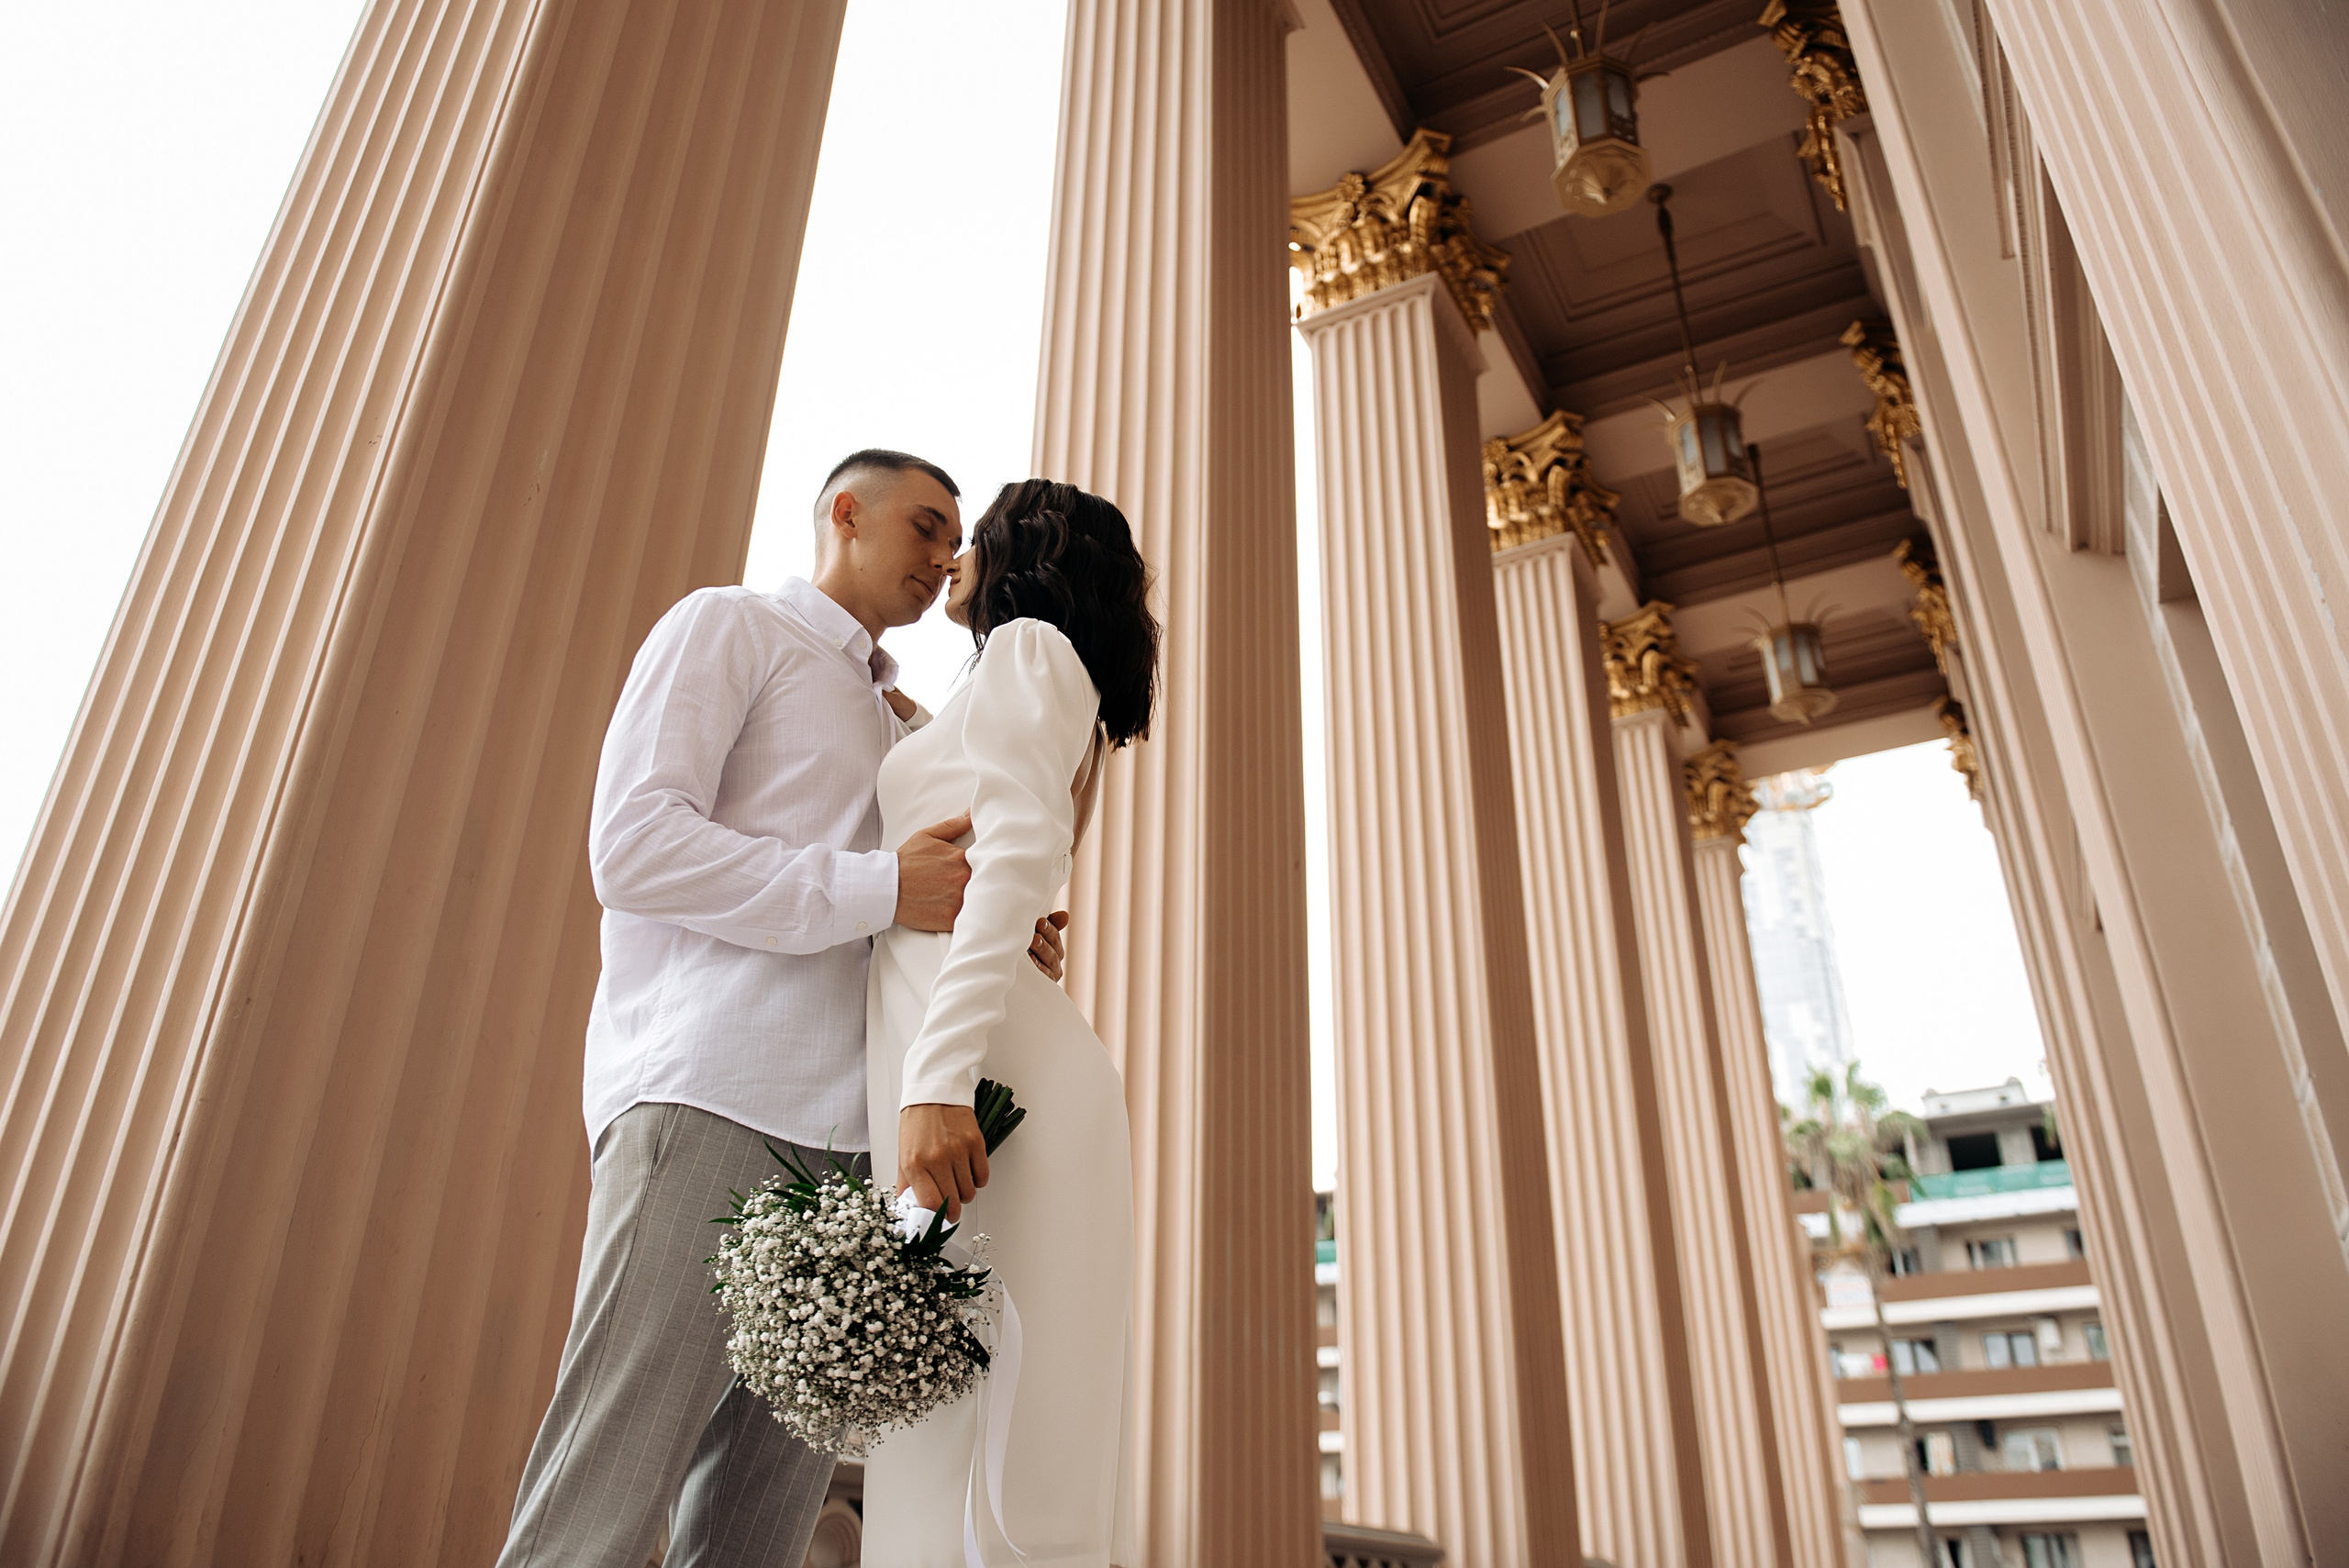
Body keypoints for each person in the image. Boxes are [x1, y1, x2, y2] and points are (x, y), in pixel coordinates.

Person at [495, 450, 1072, 1568]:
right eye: (924, 524)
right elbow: (636, 846)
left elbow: (919, 881)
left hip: (848, 1158)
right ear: (844, 515)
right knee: (601, 1506)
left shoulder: (900, 720)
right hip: (710, 1095)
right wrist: (879, 884)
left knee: (753, 1539)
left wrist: (984, 915)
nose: (946, 555)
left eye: (956, 536)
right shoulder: (727, 629)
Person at [863, 478, 1159, 1568]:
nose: (951, 559)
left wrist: (935, 1083)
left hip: (976, 1087)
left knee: (985, 1427)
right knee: (945, 1411)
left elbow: (1014, 861)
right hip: (962, 1068)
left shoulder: (1029, 650)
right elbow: (994, 857)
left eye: (967, 536)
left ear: (1015, 552)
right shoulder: (1011, 674)